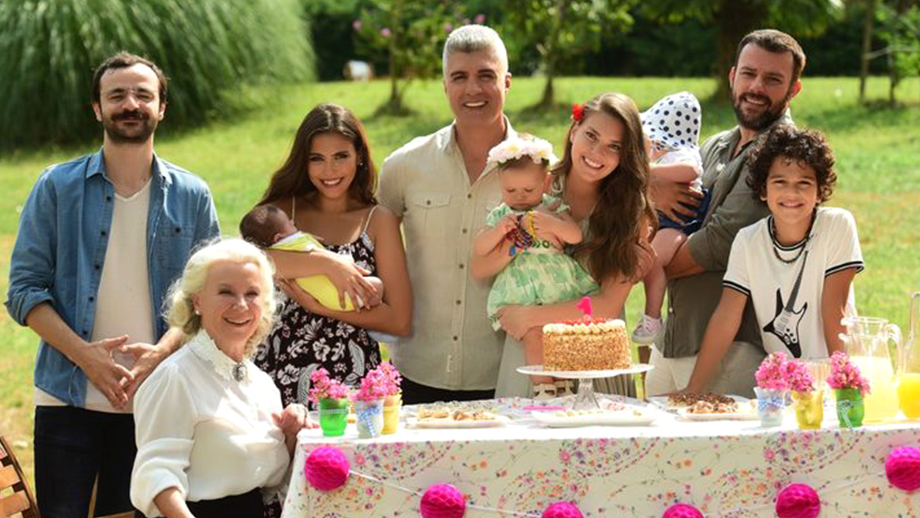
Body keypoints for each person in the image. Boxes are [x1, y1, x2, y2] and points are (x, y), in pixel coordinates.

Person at [5, 52, 219, 516]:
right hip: (65, 397)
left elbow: (208, 299)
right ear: (97, 108)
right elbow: (23, 291)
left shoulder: (193, 195)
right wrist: (85, 357)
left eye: (143, 94)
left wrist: (160, 353)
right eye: (117, 95)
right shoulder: (56, 187)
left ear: (162, 107)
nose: (130, 104)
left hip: (158, 400)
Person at [647, 29, 806, 397]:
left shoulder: (782, 154)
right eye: (749, 74)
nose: (756, 87)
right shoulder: (715, 144)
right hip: (673, 337)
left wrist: (640, 268)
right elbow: (659, 213)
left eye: (773, 79)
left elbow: (719, 245)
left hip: (733, 349)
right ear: (733, 76)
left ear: (794, 89)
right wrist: (652, 190)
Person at [473, 92, 656, 398]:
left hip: (593, 365)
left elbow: (606, 306)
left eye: (614, 146)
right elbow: (480, 267)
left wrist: (528, 316)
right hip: (533, 360)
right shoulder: (533, 182)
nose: (597, 153)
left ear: (625, 155)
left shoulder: (628, 213)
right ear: (574, 131)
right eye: (591, 136)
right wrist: (523, 238)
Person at [377, 25, 515, 404]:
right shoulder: (403, 166)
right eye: (459, 77)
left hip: (504, 373)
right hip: (415, 370)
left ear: (506, 82)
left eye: (485, 75)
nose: (473, 89)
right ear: (444, 85)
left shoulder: (539, 169)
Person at [131, 239, 313, 517]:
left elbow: (270, 480)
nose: (241, 304)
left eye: (252, 293)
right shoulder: (175, 377)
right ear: (197, 301)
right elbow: (156, 476)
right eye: (225, 292)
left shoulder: (262, 383)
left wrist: (290, 434)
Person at [253, 103, 412, 406]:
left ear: (359, 156)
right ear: (304, 161)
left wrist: (318, 307)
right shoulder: (282, 213)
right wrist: (328, 263)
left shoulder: (378, 220)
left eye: (341, 156)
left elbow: (399, 320)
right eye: (317, 159)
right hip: (276, 371)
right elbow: (251, 262)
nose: (329, 171)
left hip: (349, 380)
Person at [683, 125, 862, 392]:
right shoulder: (748, 240)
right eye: (780, 182)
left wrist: (844, 385)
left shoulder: (837, 225)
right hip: (783, 386)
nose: (792, 193)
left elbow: (833, 311)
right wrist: (693, 389)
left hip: (836, 376)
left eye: (804, 183)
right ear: (763, 189)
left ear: (819, 191)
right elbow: (726, 317)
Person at [473, 134, 597, 399]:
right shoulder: (501, 214)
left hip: (555, 282)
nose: (519, 197)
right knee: (533, 334)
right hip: (522, 287)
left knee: (561, 332)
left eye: (528, 191)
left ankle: (563, 383)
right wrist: (499, 231)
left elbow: (575, 236)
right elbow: (480, 248)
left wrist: (553, 223)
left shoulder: (553, 207)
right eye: (510, 191)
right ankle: (542, 386)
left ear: (546, 182)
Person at [632, 91, 709, 345]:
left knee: (652, 259)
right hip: (663, 221)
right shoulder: (662, 155)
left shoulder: (681, 154)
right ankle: (651, 317)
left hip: (680, 224)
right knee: (646, 257)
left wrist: (651, 172)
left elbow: (691, 170)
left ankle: (652, 319)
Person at [239, 204, 385, 312]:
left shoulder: (275, 250)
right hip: (338, 295)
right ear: (279, 238)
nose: (293, 223)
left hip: (324, 298)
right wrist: (341, 262)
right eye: (289, 223)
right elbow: (317, 253)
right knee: (376, 285)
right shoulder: (296, 244)